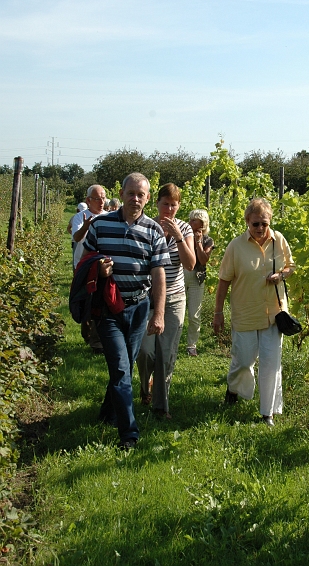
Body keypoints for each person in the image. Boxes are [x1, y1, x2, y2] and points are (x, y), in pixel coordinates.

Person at [82, 172, 170, 449]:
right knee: (121, 370)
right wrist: (97, 268)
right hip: (108, 309)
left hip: (139, 308)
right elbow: (85, 262)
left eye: (140, 194)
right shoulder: (100, 225)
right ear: (120, 194)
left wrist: (158, 313)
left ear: (147, 198)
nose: (135, 199)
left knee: (124, 366)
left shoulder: (154, 231)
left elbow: (158, 274)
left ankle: (107, 412)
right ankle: (128, 434)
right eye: (130, 193)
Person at [213, 198, 295, 427]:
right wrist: (218, 313)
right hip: (246, 312)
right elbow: (223, 281)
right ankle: (233, 388)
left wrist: (282, 275)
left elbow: (290, 265)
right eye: (255, 224)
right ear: (247, 221)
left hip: (274, 312)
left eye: (264, 224)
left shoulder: (279, 240)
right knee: (244, 360)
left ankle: (267, 412)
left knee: (271, 363)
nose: (260, 229)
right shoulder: (236, 246)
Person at [137, 183, 195, 418]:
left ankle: (161, 407)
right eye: (165, 204)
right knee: (145, 352)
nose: (169, 209)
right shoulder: (146, 226)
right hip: (147, 298)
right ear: (156, 203)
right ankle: (145, 387)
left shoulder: (186, 229)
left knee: (166, 353)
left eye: (174, 204)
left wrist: (179, 237)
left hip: (174, 299)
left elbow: (190, 264)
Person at [72, 186, 108, 353]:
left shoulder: (109, 217)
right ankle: (88, 333)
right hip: (84, 266)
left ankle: (98, 340)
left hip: (102, 267)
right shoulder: (80, 217)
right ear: (88, 200)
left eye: (104, 198)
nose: (102, 202)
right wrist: (87, 226)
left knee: (100, 300)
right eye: (97, 199)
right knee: (86, 300)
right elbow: (76, 238)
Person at [183, 209, 214, 357]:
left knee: (194, 314)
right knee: (177, 311)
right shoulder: (183, 235)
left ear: (203, 223)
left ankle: (191, 345)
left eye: (194, 220)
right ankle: (172, 341)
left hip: (197, 277)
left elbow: (203, 260)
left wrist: (198, 243)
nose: (191, 222)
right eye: (190, 219)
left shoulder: (208, 240)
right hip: (181, 274)